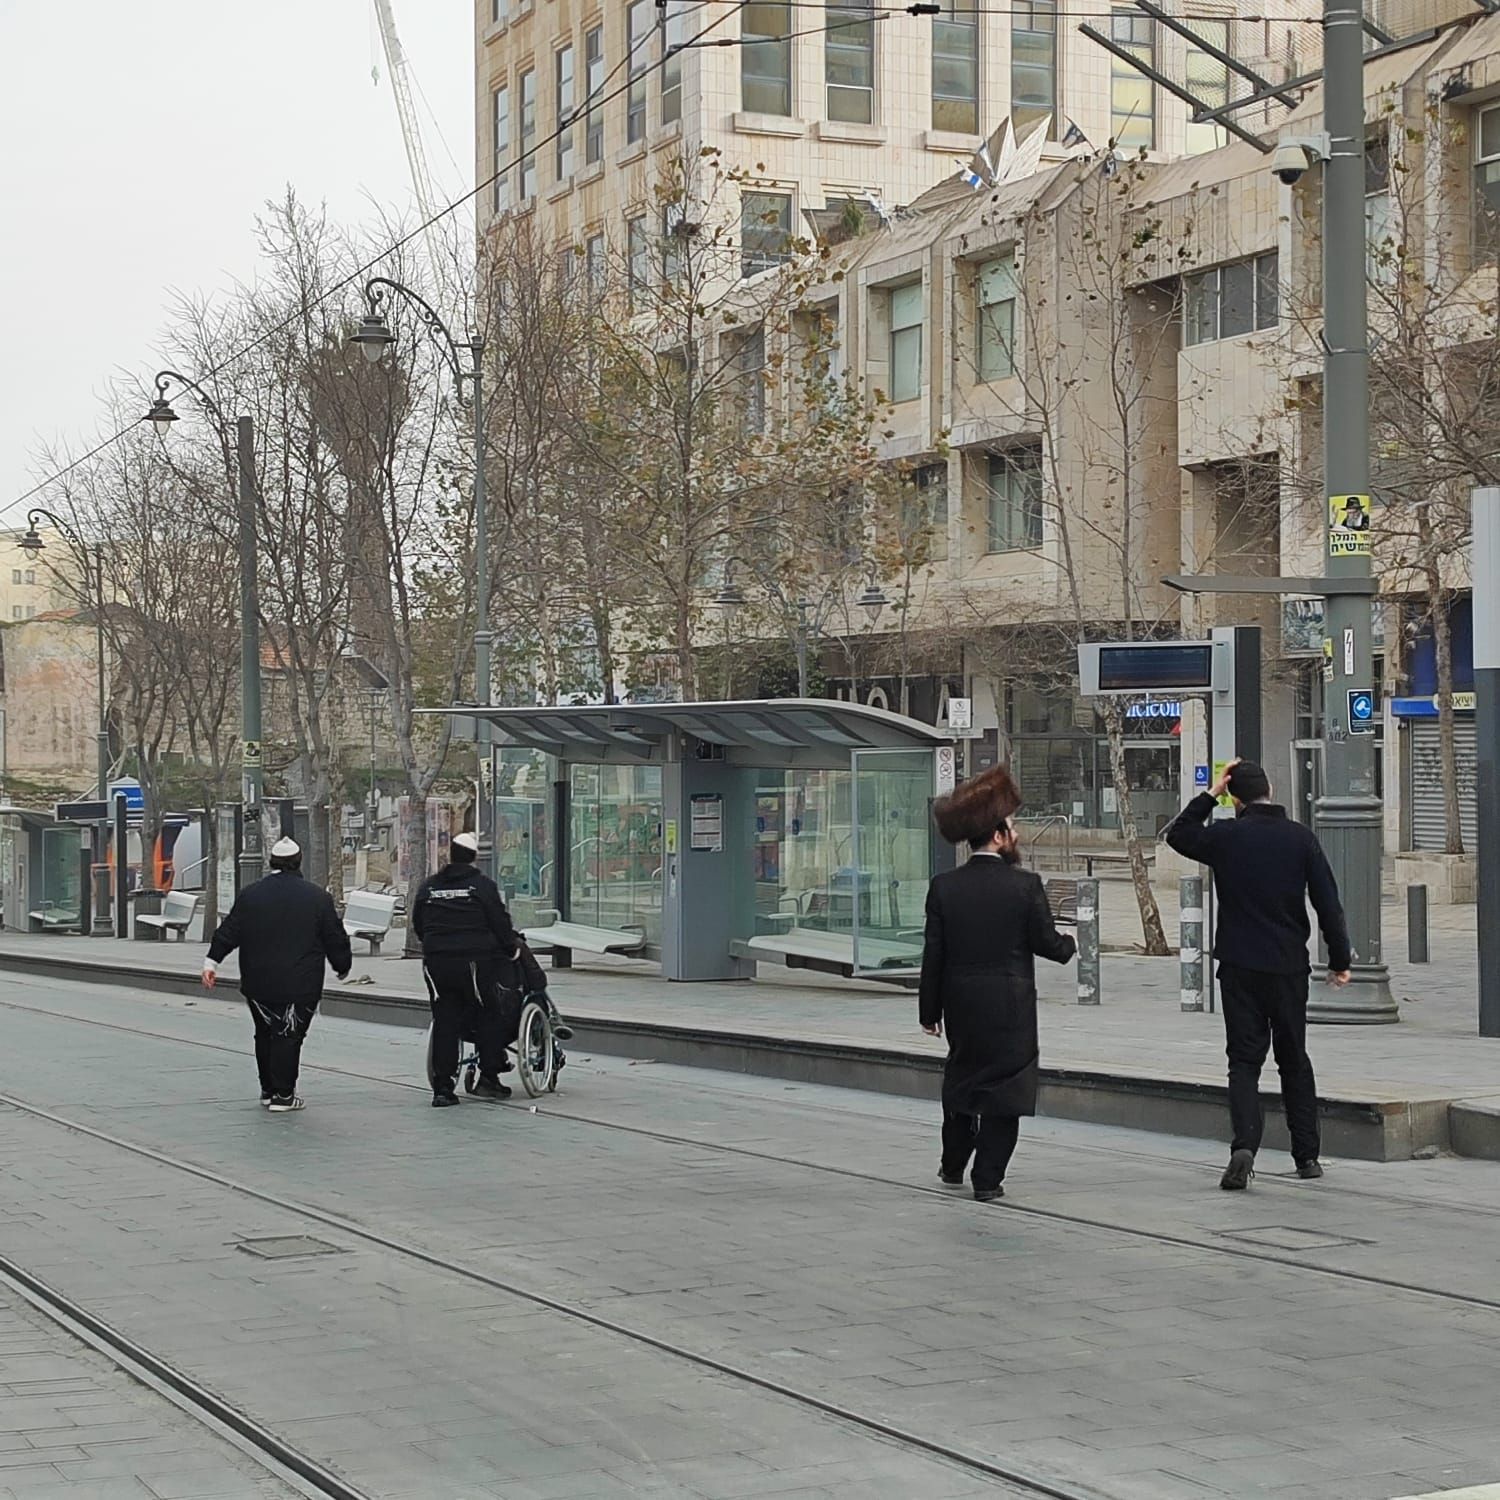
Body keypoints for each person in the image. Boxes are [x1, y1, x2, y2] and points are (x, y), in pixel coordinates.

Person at [1164, 758, 1352, 1190]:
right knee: (1293, 1059)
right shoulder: (1300, 838)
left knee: (1244, 1061)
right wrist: (1340, 960)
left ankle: (1244, 1147)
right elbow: (1328, 904)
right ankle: (1306, 1156)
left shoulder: (1225, 837)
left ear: (1235, 798)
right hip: (1287, 967)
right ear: (1271, 790)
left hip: (1239, 966)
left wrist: (1211, 794)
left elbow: (1178, 834)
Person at [919, 765, 1077, 1202]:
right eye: (1012, 827)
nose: (1017, 833)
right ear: (998, 835)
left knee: (962, 1079)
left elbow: (934, 955)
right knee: (1008, 1088)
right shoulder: (1025, 885)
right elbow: (1045, 942)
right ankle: (987, 1178)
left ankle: (953, 1163)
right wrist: (1069, 945)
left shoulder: (944, 887)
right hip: (1010, 1005)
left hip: (961, 1004)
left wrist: (929, 1012)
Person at [201, 837, 352, 1113]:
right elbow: (334, 937)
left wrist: (211, 963)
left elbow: (229, 931)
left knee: (265, 1033)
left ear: (271, 861)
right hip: (300, 982)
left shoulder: (251, 895)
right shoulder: (317, 897)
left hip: (258, 982)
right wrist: (342, 965)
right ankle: (284, 1094)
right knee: (289, 1035)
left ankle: (268, 1089)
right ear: (299, 862)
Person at [412, 831, 523, 1107]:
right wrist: (511, 949)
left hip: (436, 962)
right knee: (488, 1012)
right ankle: (489, 1077)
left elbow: (418, 923)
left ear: (451, 855)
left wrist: (435, 944)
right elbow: (499, 921)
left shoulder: (429, 887)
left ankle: (443, 1088)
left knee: (445, 1019)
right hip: (473, 961)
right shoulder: (482, 886)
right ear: (474, 857)